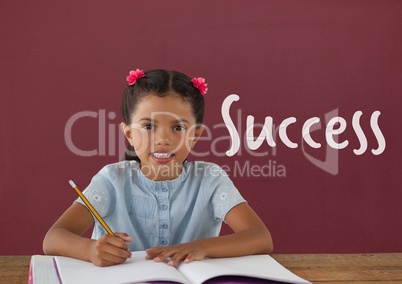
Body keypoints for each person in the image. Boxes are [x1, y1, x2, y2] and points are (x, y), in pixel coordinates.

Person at [43, 69, 273, 267]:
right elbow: (53, 239)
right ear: (130, 134)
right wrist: (90, 250)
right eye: (149, 126)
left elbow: (260, 238)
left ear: (195, 136)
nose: (163, 139)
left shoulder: (210, 179)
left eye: (177, 127)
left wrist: (200, 247)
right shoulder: (112, 180)